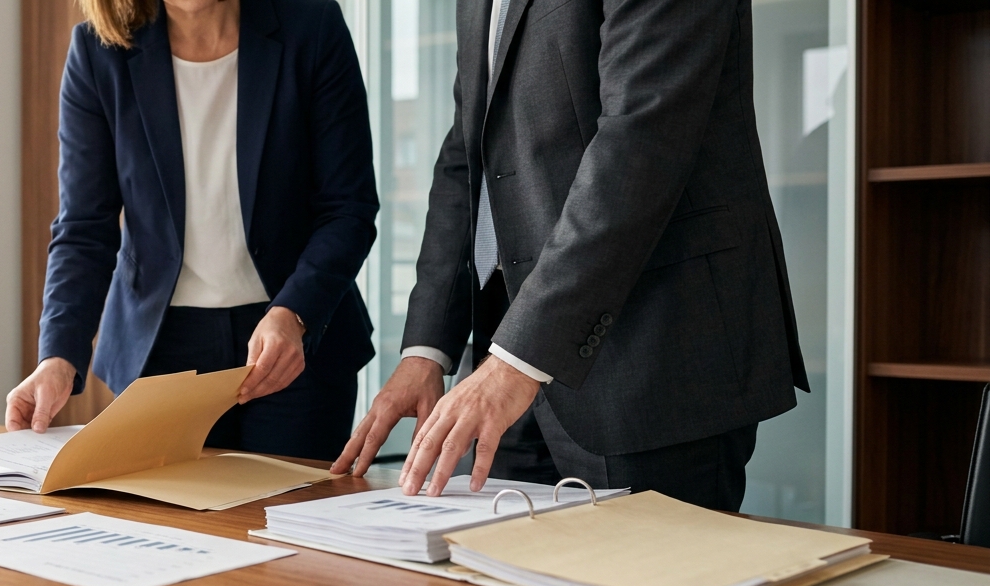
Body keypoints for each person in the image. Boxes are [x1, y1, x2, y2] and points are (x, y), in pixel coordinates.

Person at [333, 0, 809, 511]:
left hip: (653, 354)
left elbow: (640, 142)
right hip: (507, 356)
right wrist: (427, 352)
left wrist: (518, 358)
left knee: (647, 563)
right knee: (498, 561)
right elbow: (468, 151)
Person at [6, 0, 377, 461]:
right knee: (166, 508)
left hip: (293, 345)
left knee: (288, 506)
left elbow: (348, 207)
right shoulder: (98, 50)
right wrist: (58, 356)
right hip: (160, 352)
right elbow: (84, 227)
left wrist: (294, 313)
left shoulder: (312, 27)